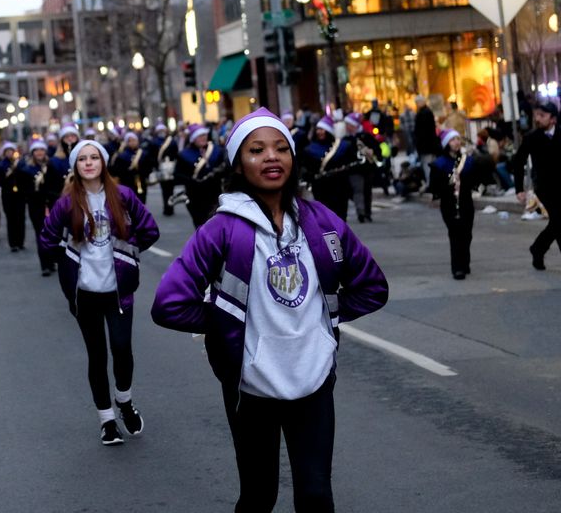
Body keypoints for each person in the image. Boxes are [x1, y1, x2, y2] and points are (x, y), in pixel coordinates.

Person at [151, 108, 388, 512]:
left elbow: (372, 286)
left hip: (313, 380)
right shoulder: (221, 229)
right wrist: (226, 323)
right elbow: (168, 303)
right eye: (256, 150)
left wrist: (321, 323)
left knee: (316, 495)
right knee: (260, 495)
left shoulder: (321, 221)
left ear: (293, 157)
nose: (271, 157)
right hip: (251, 386)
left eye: (281, 148)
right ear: (239, 164)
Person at [38, 139, 160, 445]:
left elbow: (150, 230)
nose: (89, 163)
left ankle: (125, 401)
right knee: (96, 356)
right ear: (76, 167)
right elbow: (46, 241)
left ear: (103, 163)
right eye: (83, 159)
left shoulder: (123, 196)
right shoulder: (67, 202)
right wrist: (68, 258)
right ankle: (107, 421)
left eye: (94, 158)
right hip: (85, 293)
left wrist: (127, 255)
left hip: (118, 290)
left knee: (122, 349)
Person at [512, 101, 561, 276]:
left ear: (553, 119)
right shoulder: (532, 137)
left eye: (542, 116)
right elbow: (518, 161)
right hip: (543, 186)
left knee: (557, 221)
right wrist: (518, 188)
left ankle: (538, 248)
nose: (537, 119)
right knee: (559, 221)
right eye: (536, 115)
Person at [429, 129, 477, 280]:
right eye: (452, 140)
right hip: (449, 203)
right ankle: (457, 268)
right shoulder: (439, 164)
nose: (456, 142)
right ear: (446, 144)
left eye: (457, 139)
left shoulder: (467, 160)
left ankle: (465, 262)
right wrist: (449, 185)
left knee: (467, 234)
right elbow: (434, 187)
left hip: (466, 201)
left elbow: (475, 179)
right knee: (455, 234)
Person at [20, 139, 67, 276]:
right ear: (33, 153)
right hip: (37, 206)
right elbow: (25, 190)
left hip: (52, 204)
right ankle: (45, 265)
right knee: (40, 234)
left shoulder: (52, 165)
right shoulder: (27, 170)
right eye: (36, 150)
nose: (40, 152)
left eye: (42, 150)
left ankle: (52, 261)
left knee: (54, 233)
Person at [300, 115, 356, 221]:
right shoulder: (310, 149)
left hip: (339, 186)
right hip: (321, 187)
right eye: (318, 130)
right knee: (325, 216)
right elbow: (306, 167)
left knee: (340, 216)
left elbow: (350, 164)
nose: (319, 132)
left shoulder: (343, 146)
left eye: (322, 129)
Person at [175, 127, 228, 228]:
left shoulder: (217, 150)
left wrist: (217, 173)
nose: (203, 138)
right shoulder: (184, 155)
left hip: (214, 193)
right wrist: (192, 181)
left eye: (204, 135)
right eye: (200, 136)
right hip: (194, 195)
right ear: (193, 139)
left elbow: (226, 169)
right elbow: (178, 175)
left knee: (215, 223)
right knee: (200, 224)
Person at [0, 142, 29, 252]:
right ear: (4, 153)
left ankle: (21, 242)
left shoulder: (20, 163)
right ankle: (13, 243)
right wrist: (6, 174)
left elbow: (25, 176)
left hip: (20, 194)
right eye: (7, 151)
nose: (9, 153)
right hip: (8, 195)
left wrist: (17, 168)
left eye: (11, 151)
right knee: (11, 219)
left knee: (21, 218)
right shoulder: (0, 165)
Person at [110, 131, 150, 203]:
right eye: (129, 141)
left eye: (134, 140)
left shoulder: (143, 153)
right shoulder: (122, 156)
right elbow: (118, 171)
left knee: (142, 201)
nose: (132, 142)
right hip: (128, 183)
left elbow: (148, 167)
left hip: (141, 181)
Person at [150, 123, 180, 217]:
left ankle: (167, 208)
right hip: (170, 167)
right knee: (169, 189)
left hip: (163, 167)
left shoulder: (154, 142)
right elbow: (176, 153)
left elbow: (152, 157)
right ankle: (169, 207)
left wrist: (155, 166)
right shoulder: (172, 141)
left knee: (166, 189)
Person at [413, 96, 440, 183]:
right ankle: (433, 182)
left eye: (417, 102)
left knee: (428, 165)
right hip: (429, 145)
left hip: (426, 146)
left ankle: (431, 183)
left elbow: (422, 132)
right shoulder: (426, 112)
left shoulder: (424, 113)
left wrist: (418, 144)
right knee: (431, 165)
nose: (416, 104)